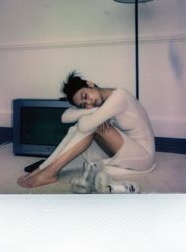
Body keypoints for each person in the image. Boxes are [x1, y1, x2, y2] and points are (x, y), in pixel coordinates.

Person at [17, 71, 155, 191]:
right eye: (83, 105)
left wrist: (93, 113)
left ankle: (49, 172)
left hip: (143, 156)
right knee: (78, 127)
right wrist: (96, 113)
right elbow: (65, 117)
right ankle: (44, 169)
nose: (89, 103)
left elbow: (84, 126)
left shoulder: (119, 96)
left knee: (90, 127)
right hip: (125, 148)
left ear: (90, 84)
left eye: (85, 96)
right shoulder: (102, 103)